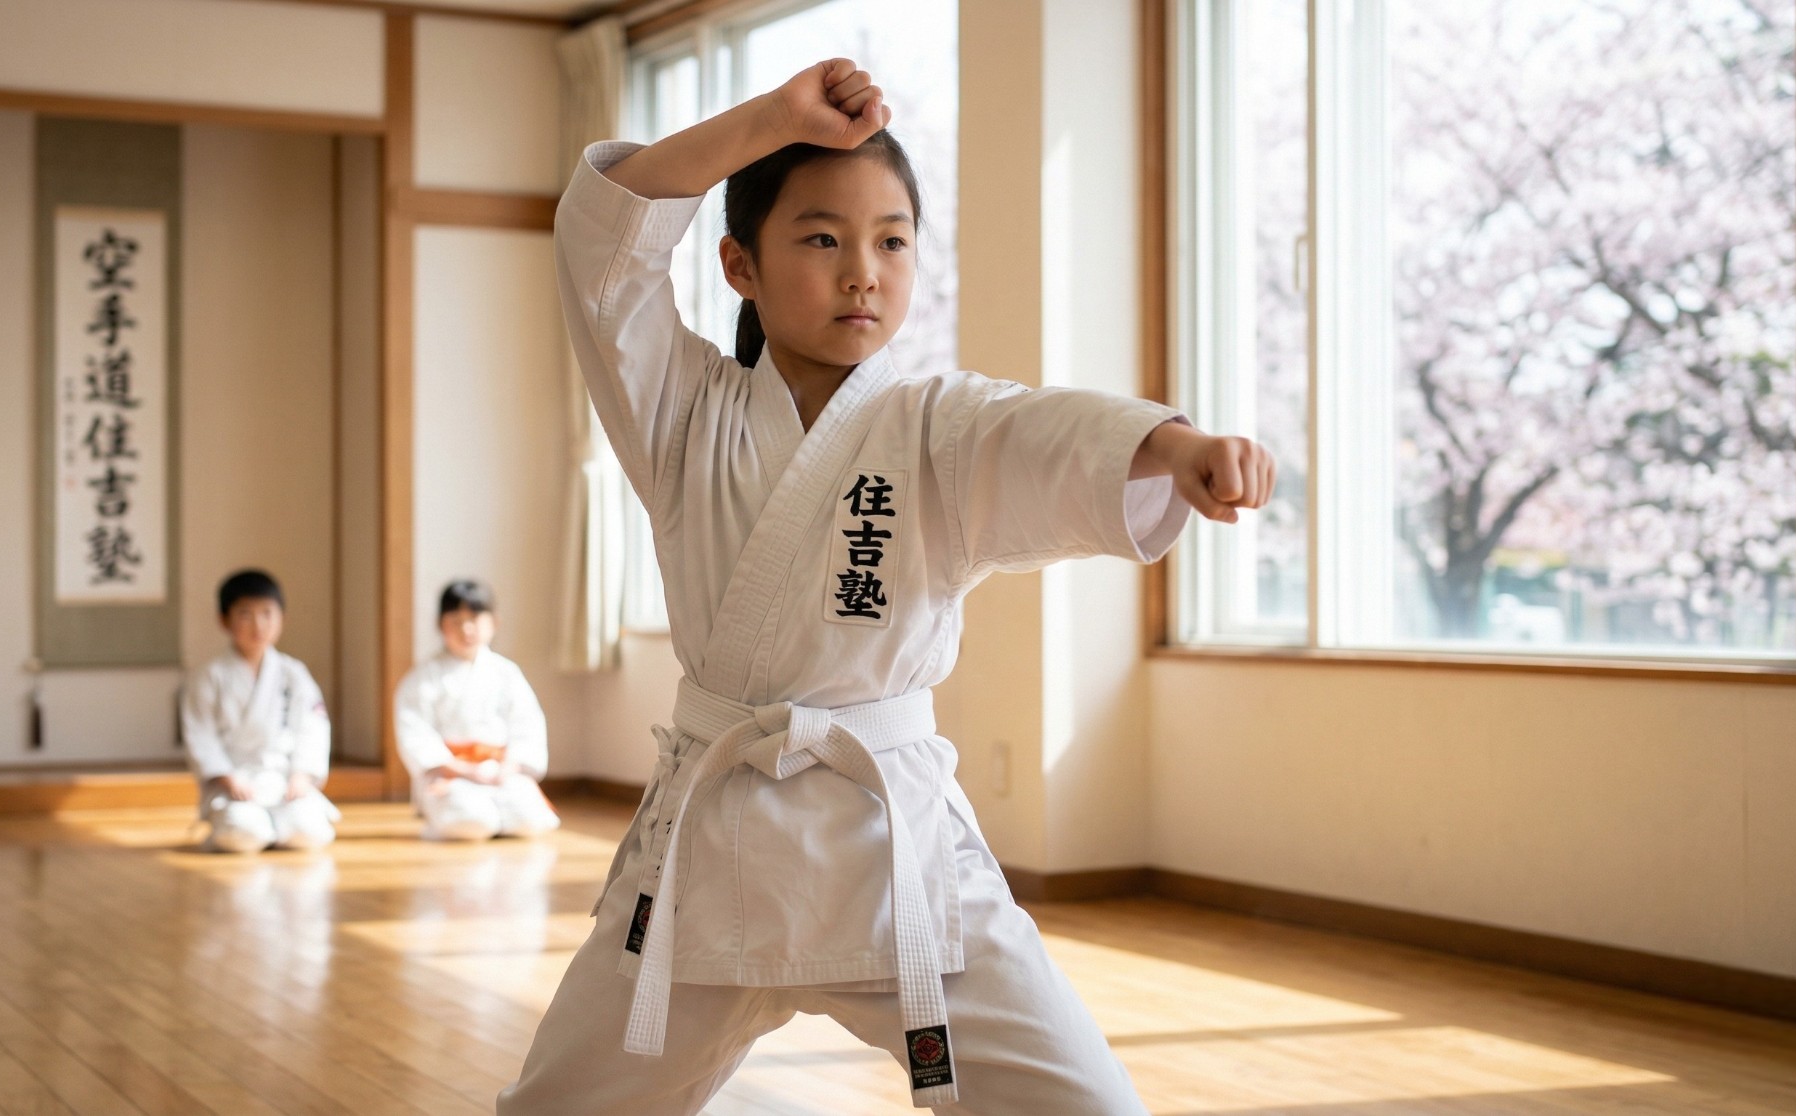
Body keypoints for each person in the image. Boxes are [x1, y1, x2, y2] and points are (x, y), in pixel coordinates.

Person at [500, 60, 1273, 1114]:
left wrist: (1173, 446)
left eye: (891, 240)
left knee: (1086, 1104)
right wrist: (774, 118)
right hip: (707, 857)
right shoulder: (679, 414)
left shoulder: (933, 425)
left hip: (892, 848)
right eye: (821, 239)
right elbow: (603, 238)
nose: (863, 271)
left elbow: (1040, 432)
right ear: (738, 264)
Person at [180, 569, 339, 854]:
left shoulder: (294, 674)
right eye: (245, 614)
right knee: (244, 833)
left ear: (281, 619)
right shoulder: (210, 676)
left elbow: (313, 727)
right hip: (235, 782)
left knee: (310, 833)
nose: (258, 624)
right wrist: (227, 778)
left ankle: (276, 827)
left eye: (267, 613)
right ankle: (256, 828)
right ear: (224, 620)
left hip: (283, 780)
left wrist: (301, 775)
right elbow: (200, 735)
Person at [394, 578, 560, 840]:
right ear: (441, 625)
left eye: (475, 618)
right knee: (471, 822)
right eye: (456, 621)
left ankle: (498, 811)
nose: (466, 628)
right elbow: (416, 734)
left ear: (494, 622)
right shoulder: (423, 678)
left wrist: (508, 767)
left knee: (530, 821)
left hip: (499, 770)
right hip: (451, 773)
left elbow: (526, 724)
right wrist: (464, 770)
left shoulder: (506, 673)